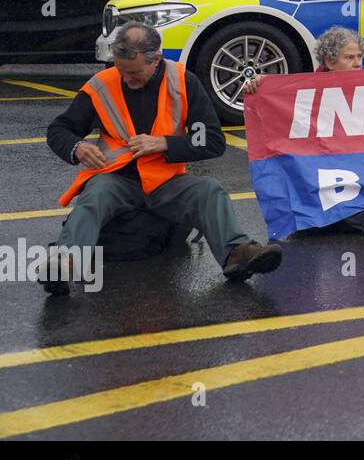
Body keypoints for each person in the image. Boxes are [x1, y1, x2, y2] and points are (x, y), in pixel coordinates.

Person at [43, 23, 282, 294]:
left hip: (165, 181)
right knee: (94, 195)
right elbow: (59, 129)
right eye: (120, 70)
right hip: (116, 180)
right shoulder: (102, 85)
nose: (126, 78)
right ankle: (65, 263)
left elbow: (213, 141)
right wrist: (77, 147)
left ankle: (237, 255)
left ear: (155, 60)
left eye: (133, 73)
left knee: (209, 191)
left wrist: (165, 143)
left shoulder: (183, 82)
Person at [244, 25, 364, 232]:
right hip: (331, 175)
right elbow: (277, 110)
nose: (358, 64)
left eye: (360, 57)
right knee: (316, 208)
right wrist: (259, 87)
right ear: (330, 62)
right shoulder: (306, 92)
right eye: (349, 58)